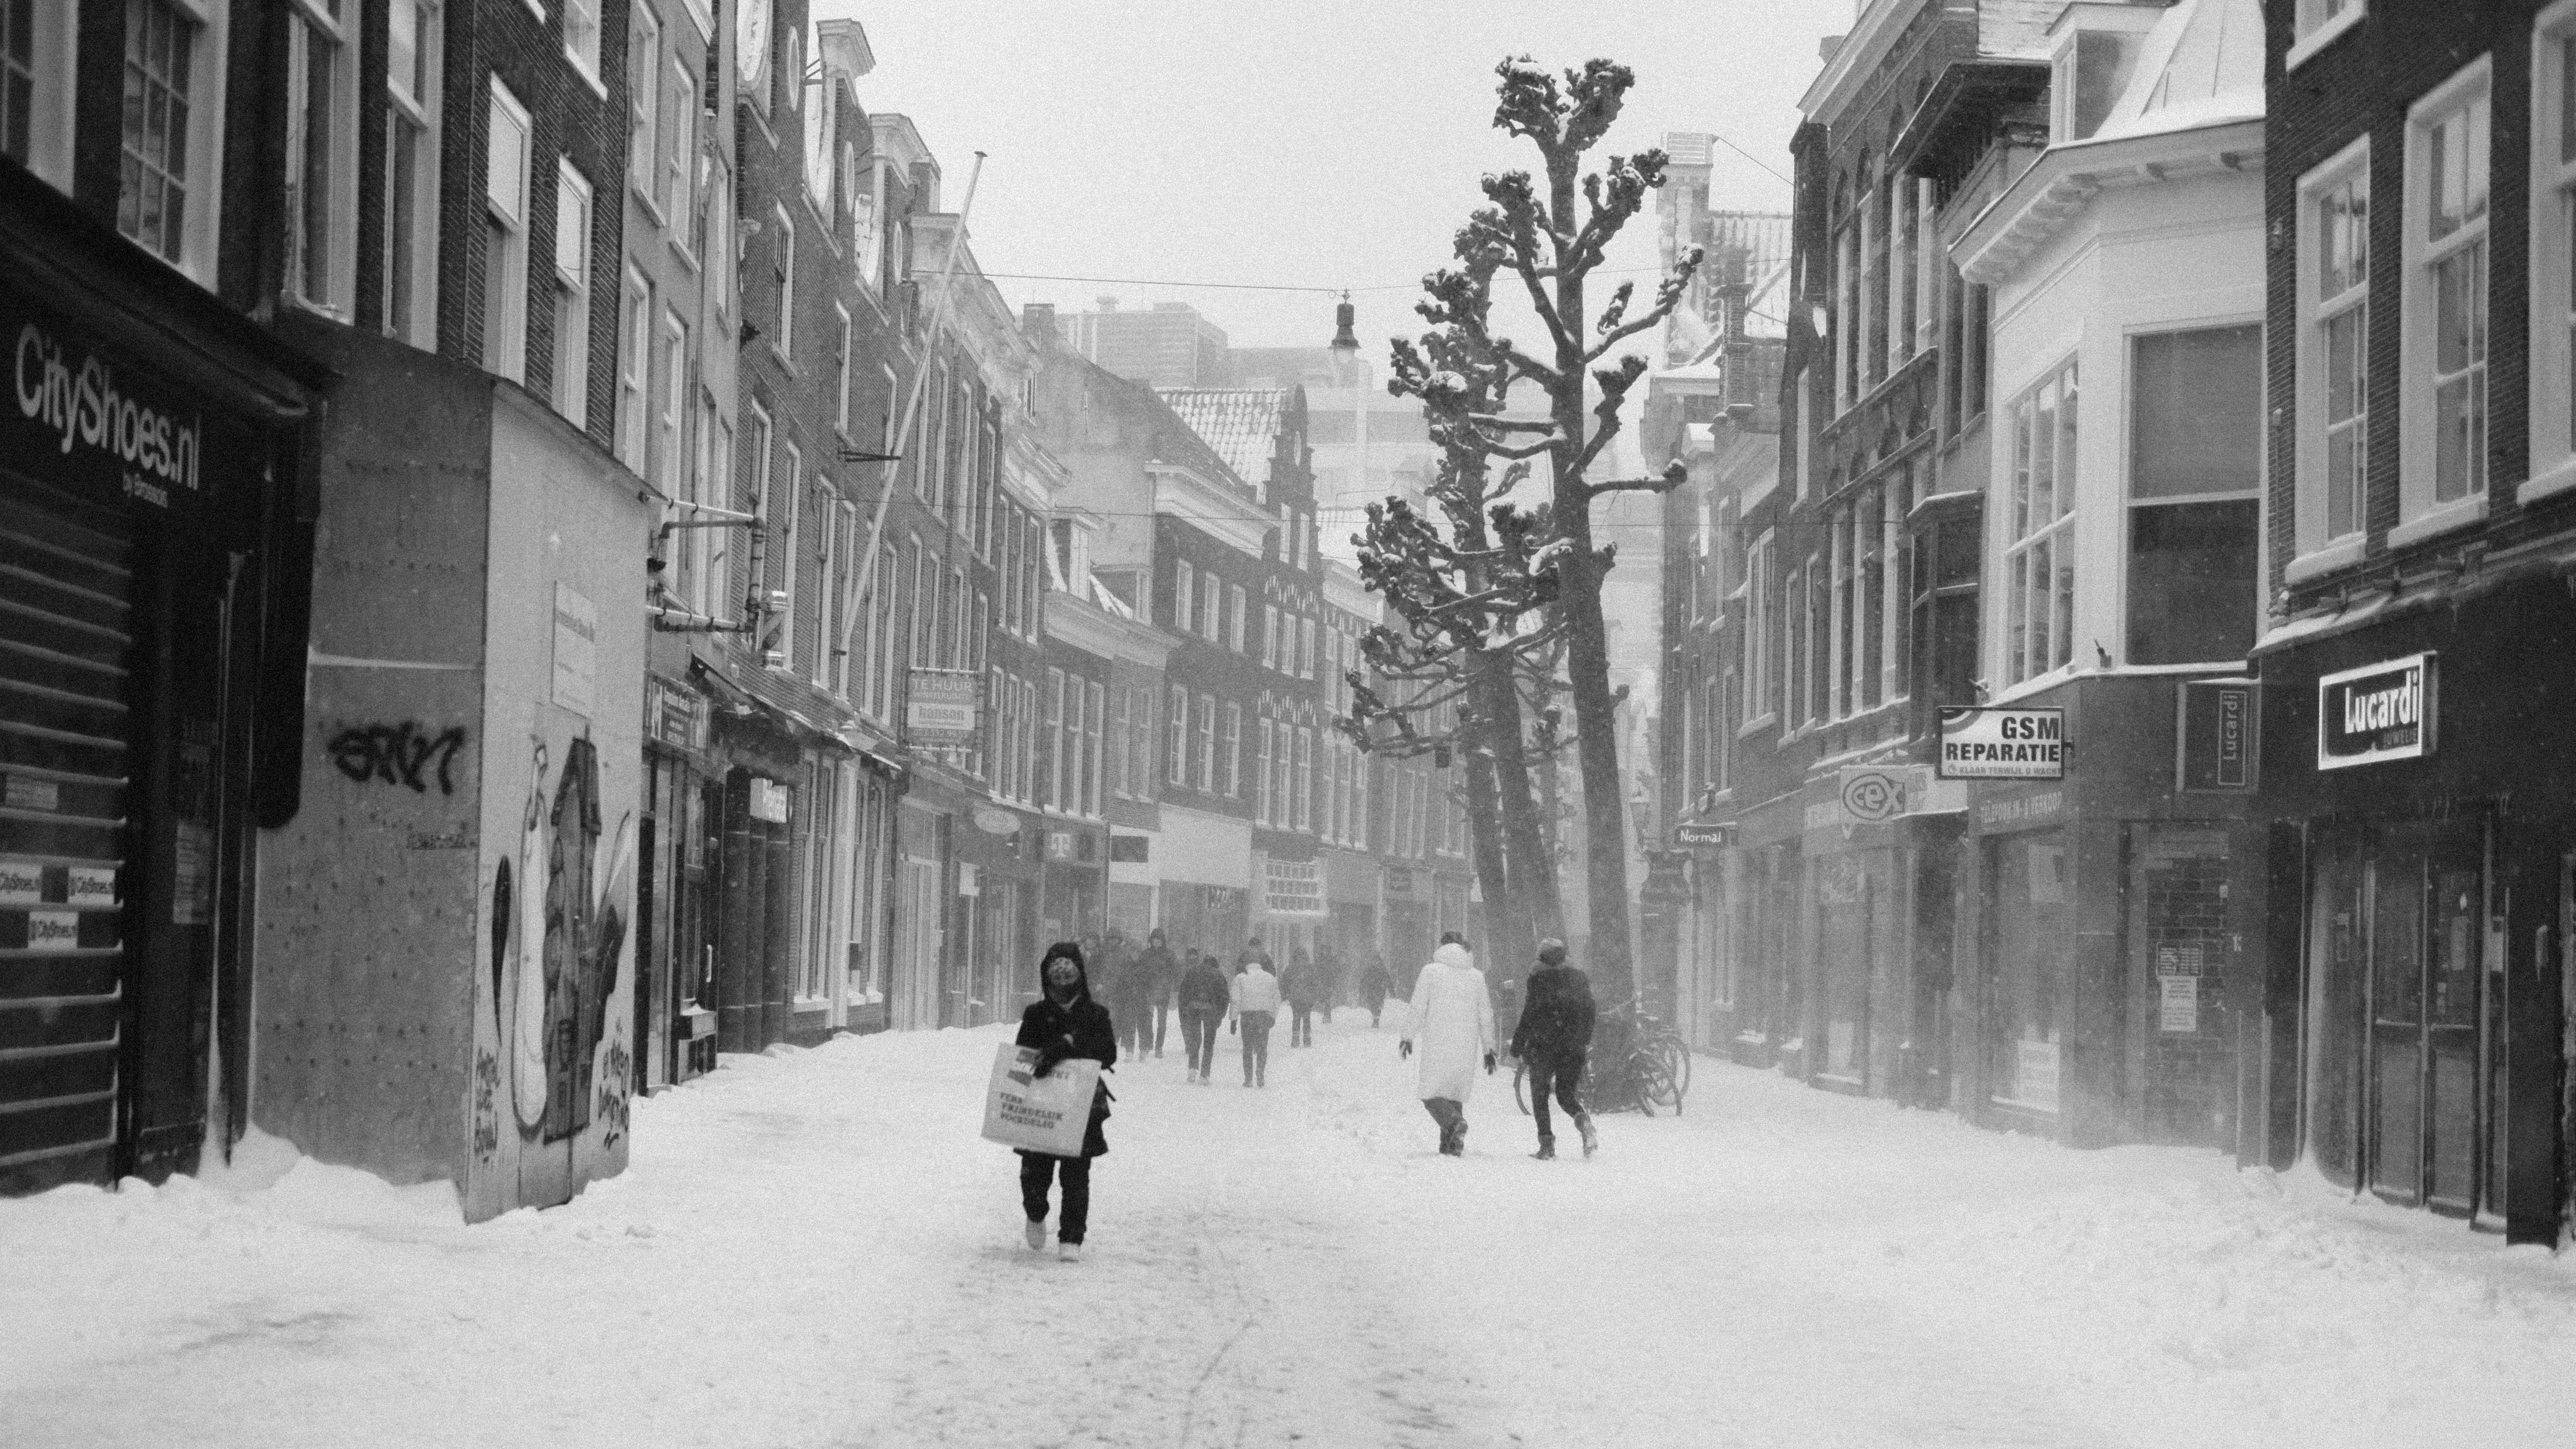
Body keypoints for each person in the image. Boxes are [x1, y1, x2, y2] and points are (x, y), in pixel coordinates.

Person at [1014, 942, 1116, 1262]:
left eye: (1068, 971)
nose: (1062, 981)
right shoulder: (1035, 1015)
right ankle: (1035, 1213)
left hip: (1081, 1106)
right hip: (1040, 1106)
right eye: (1055, 972)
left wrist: (1068, 1045)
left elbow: (1108, 1053)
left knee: (1076, 1175)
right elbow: (1021, 1057)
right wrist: (1040, 1059)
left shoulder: (1096, 1014)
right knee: (1034, 1171)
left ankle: (1072, 1236)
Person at [1399, 940, 1495, 1155]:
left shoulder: (1431, 972)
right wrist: (1489, 1049)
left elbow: (1417, 1007)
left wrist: (1407, 1037)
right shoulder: (1476, 977)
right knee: (1454, 1095)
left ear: (1443, 947)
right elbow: (1486, 1015)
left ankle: (1454, 1125)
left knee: (1431, 1094)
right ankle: (1451, 1145)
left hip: (1438, 1043)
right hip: (1466, 1046)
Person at [1508, 938, 1598, 1160]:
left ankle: (1547, 1145)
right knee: (1566, 1095)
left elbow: (1530, 1014)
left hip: (1544, 1046)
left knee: (1540, 1096)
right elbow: (1590, 1010)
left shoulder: (1539, 978)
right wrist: (1583, 1039)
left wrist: (1518, 1043)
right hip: (1574, 1047)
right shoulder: (1579, 978)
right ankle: (1584, 1123)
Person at [1177, 952, 1231, 1084]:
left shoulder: (1192, 972)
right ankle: (1205, 1075)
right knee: (1209, 1044)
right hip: (1211, 1011)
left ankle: (1192, 1068)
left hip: (1193, 1009)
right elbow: (1224, 997)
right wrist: (1220, 1015)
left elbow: (1183, 993)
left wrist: (1184, 1011)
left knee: (1195, 1041)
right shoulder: (1218, 975)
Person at [1230, 953, 1282, 1086]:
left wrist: (1234, 1019)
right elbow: (1277, 999)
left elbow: (1236, 1000)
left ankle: (1248, 1079)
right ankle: (1260, 1072)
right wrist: (1273, 1015)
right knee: (1262, 1046)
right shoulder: (1270, 978)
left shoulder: (1240, 978)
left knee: (1247, 1047)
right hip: (1263, 1016)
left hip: (1247, 1017)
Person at [1135, 930, 1180, 1059]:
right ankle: (1148, 1043)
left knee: (1162, 1021)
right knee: (1147, 1019)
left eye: (1159, 940)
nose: (1156, 942)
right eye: (1154, 940)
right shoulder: (1146, 955)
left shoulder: (1169, 955)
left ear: (1163, 941)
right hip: (1149, 991)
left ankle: (1159, 1047)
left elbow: (1175, 972)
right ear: (1151, 940)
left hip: (1164, 992)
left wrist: (1172, 986)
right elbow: (1140, 972)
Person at [1283, 947, 1321, 1046]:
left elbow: (1285, 983)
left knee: (1296, 1018)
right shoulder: (1310, 968)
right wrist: (1314, 995)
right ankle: (1307, 1039)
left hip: (1295, 997)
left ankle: (1295, 1039)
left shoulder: (1291, 968)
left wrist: (1286, 994)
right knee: (1306, 1018)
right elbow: (1315, 983)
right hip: (1307, 998)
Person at [1359, 951, 1392, 1028]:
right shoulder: (1369, 969)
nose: (1375, 962)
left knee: (1377, 1005)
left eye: (1377, 961)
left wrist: (1391, 991)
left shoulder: (1382, 968)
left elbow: (1388, 979)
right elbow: (1364, 979)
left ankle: (1376, 1021)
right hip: (1371, 989)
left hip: (1380, 989)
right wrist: (1362, 989)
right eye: (1374, 961)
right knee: (1372, 1005)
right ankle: (1375, 1018)